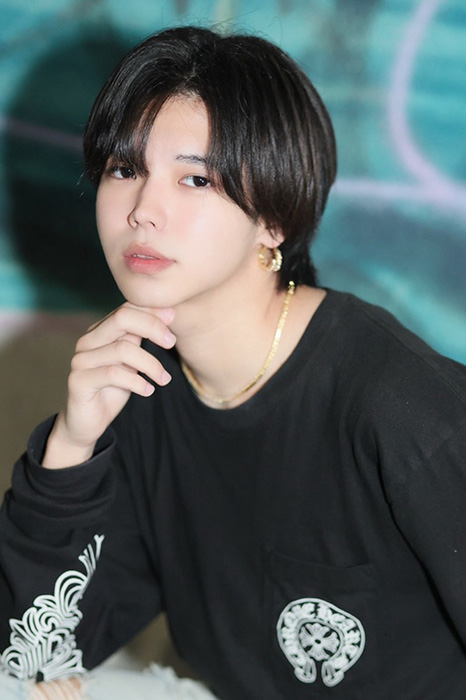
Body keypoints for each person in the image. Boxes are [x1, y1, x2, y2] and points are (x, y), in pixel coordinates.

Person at [1, 24, 466, 700]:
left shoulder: (404, 407)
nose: (143, 211)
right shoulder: (140, 391)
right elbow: (35, 653)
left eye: (195, 179)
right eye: (125, 169)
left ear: (275, 219)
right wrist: (71, 449)